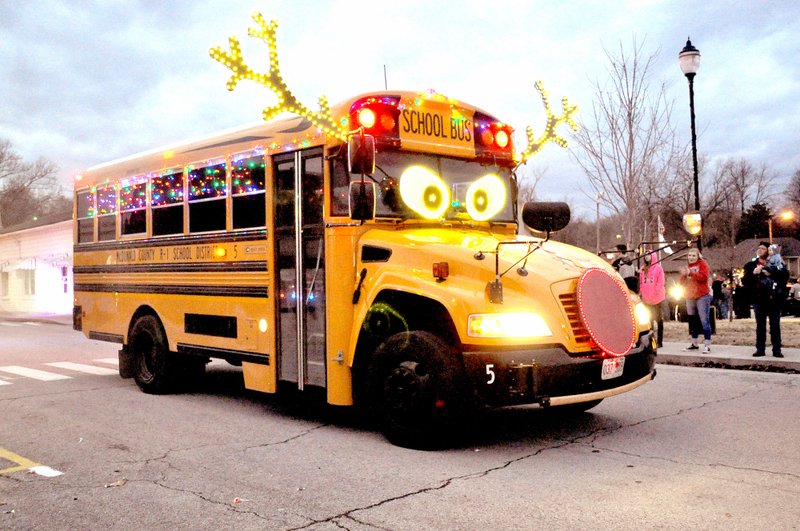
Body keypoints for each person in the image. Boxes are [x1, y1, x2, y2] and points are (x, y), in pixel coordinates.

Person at [742, 241, 789, 357]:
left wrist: (771, 272)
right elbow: (745, 281)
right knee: (760, 325)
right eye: (758, 248)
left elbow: (785, 276)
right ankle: (760, 349)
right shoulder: (751, 265)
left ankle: (777, 349)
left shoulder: (776, 263)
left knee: (775, 325)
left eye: (763, 248)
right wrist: (753, 273)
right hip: (759, 299)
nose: (759, 250)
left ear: (768, 251)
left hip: (774, 298)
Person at [679, 248, 712, 353]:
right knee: (692, 320)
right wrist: (684, 275)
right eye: (689, 255)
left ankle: (707, 344)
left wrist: (691, 273)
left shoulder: (703, 264)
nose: (691, 257)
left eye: (694, 255)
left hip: (702, 295)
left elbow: (704, 277)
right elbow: (682, 283)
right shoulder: (687, 267)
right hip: (690, 296)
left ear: (698, 256)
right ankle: (694, 343)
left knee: (704, 320)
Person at [639, 251, 668, 348]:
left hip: (657, 299)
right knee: (649, 321)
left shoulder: (658, 268)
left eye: (649, 255)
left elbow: (660, 283)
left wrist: (655, 293)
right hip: (646, 299)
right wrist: (642, 294)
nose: (647, 257)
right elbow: (641, 283)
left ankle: (660, 341)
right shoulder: (643, 269)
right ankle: (652, 342)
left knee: (658, 320)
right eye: (645, 255)